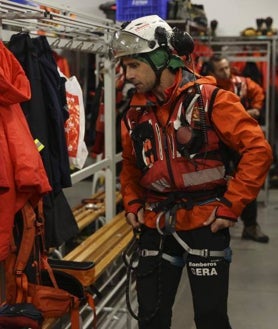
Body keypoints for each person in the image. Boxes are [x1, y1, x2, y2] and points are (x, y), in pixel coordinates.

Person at [110, 15, 273, 329]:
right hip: (155, 223)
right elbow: (130, 164)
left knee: (211, 319)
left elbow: (258, 150)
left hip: (206, 221)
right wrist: (131, 201)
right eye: (125, 67)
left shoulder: (214, 100)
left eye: (134, 66)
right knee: (151, 319)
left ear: (161, 60)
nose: (128, 76)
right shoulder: (134, 111)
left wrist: (231, 206)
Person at [205, 54, 269, 243]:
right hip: (216, 142)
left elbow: (258, 92)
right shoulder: (207, 89)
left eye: (227, 67)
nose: (226, 72)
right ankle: (213, 224)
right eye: (221, 69)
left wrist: (256, 108)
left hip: (238, 141)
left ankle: (250, 226)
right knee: (216, 181)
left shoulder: (240, 82)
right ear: (211, 73)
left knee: (246, 180)